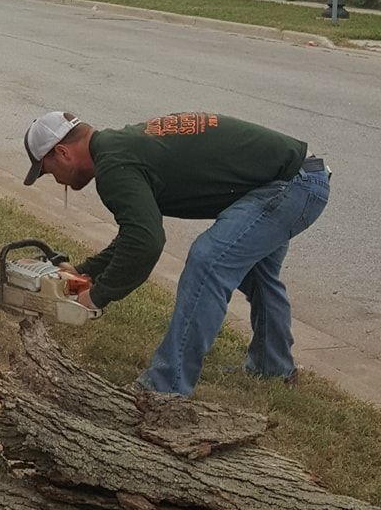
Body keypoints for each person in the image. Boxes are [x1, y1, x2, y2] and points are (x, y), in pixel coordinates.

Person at [20, 109, 330, 397]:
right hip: (297, 176)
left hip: (292, 185)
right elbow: (135, 235)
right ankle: (273, 367)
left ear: (62, 153)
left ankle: (164, 388)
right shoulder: (119, 148)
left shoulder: (114, 165)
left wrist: (95, 297)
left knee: (208, 262)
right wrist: (86, 271)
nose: (57, 180)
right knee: (257, 276)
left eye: (48, 171)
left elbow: (145, 243)